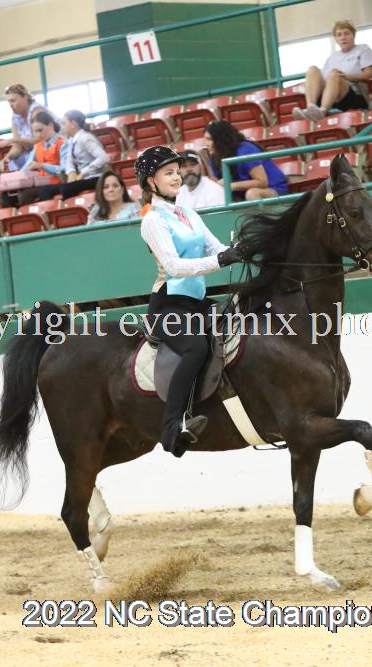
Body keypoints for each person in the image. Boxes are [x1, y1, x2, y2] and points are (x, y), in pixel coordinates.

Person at [135, 146, 244, 457]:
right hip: (168, 306)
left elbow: (216, 247)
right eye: (168, 173)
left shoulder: (189, 214)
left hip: (196, 302)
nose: (176, 177)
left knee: (239, 318)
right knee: (195, 347)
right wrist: (221, 260)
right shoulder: (152, 220)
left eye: (177, 172)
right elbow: (174, 267)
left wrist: (240, 249)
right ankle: (172, 427)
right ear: (151, 182)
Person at [293, 20, 372, 121]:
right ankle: (310, 108)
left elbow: (369, 74)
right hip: (332, 95)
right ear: (336, 39)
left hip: (354, 95)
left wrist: (346, 76)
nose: (343, 37)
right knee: (313, 69)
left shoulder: (363, 49)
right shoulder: (333, 57)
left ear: (353, 35)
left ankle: (322, 111)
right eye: (339, 35)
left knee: (335, 74)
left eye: (346, 33)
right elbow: (324, 79)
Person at [204, 120, 288, 201]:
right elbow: (222, 182)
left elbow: (262, 182)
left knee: (252, 194)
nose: (206, 144)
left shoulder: (245, 150)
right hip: (242, 192)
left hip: (273, 189)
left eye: (209, 139)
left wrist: (232, 185)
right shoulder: (215, 157)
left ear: (221, 140)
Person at [6, 110, 68, 206]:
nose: (38, 135)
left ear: (51, 125)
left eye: (40, 130)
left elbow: (65, 169)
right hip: (42, 183)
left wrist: (42, 165)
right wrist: (14, 178)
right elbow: (27, 166)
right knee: (6, 196)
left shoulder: (63, 143)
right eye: (35, 132)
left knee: (26, 195)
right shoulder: (38, 146)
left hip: (59, 182)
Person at [0, 84, 46, 172]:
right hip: (33, 154)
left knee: (32, 156)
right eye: (9, 102)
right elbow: (17, 147)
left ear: (25, 97)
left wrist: (13, 140)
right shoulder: (15, 117)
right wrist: (7, 158)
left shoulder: (37, 111)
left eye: (13, 100)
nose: (10, 105)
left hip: (47, 151)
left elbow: (40, 141)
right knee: (12, 163)